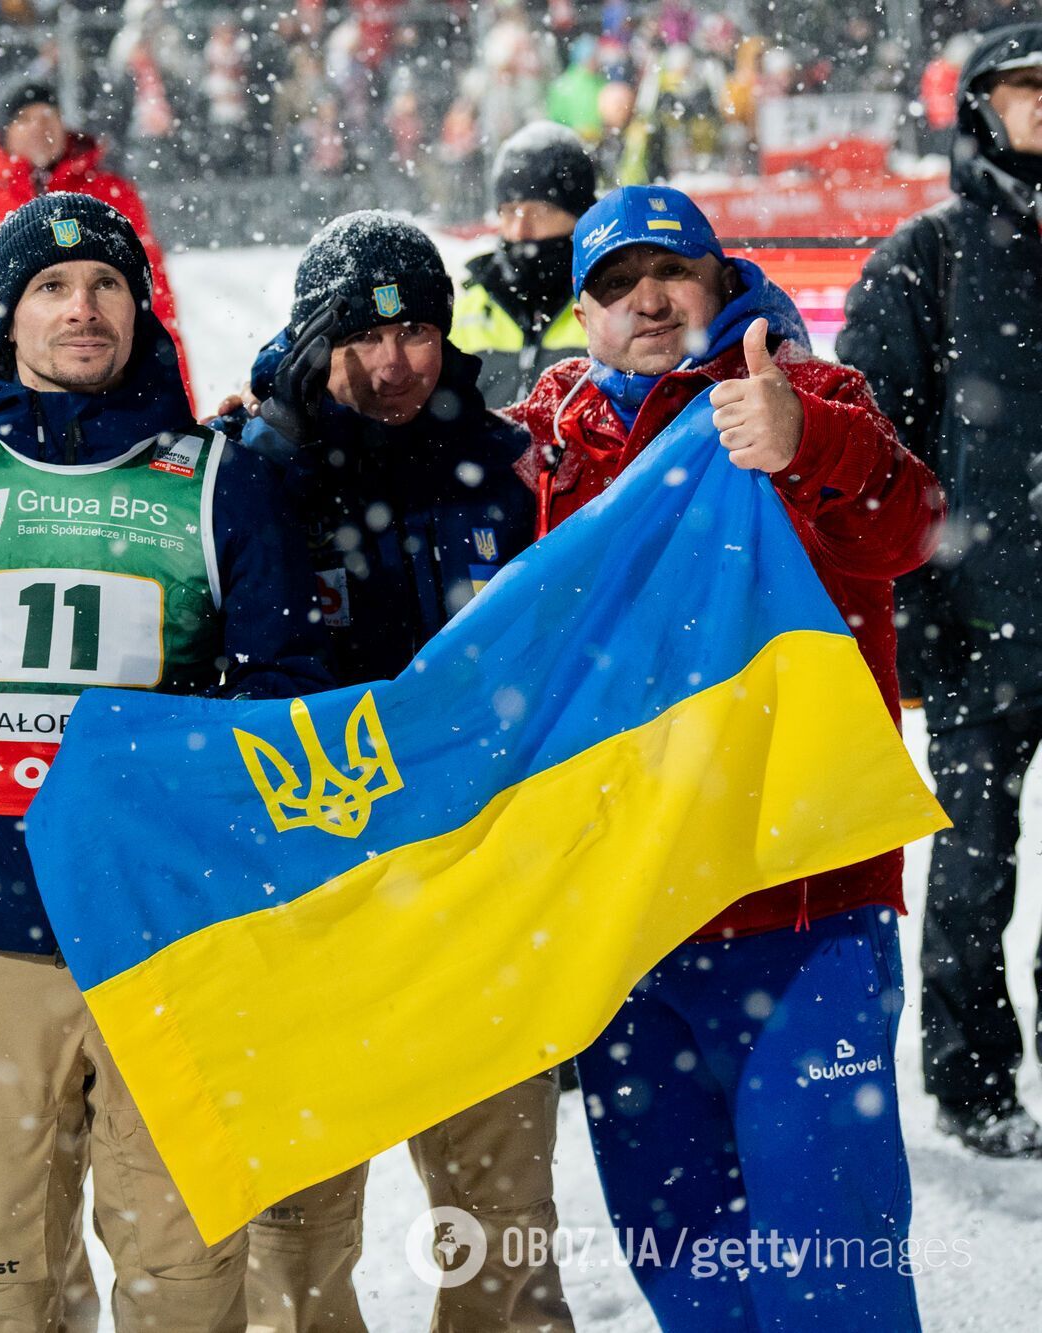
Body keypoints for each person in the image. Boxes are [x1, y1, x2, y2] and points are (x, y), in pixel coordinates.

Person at [0, 192, 328, 1329]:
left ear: (139, 310)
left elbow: (278, 696)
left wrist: (164, 795)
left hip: (160, 941)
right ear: (4, 317)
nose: (82, 307)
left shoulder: (217, 477)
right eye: (51, 287)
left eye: (106, 284)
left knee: (181, 1280)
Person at [505, 185, 942, 1331]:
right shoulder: (538, 445)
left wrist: (806, 445)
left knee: (828, 1252)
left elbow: (908, 524)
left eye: (671, 273)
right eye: (612, 283)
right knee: (682, 1254)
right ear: (579, 314)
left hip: (803, 910)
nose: (645, 300)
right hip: (626, 919)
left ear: (717, 279)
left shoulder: (806, 392)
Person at [229, 211, 572, 1333]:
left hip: (477, 893)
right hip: (312, 897)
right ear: (310, 337)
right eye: (361, 337)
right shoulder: (247, 476)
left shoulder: (498, 471)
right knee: (298, 1244)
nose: (392, 364)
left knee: (503, 1225)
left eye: (417, 332)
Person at [837, 19, 1042, 1159]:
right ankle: (969, 1086)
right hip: (976, 627)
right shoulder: (926, 256)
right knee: (971, 871)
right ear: (979, 108)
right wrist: (911, 613)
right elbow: (873, 450)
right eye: (1024, 89)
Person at [0, 78, 193, 398]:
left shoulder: (113, 193)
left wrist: (177, 395)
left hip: (108, 375)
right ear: (4, 132)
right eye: (25, 119)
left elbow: (154, 295)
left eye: (48, 115)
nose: (39, 127)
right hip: (11, 383)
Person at [449, 122, 595, 408]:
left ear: (581, 216)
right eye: (508, 212)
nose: (519, 231)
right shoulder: (468, 311)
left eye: (539, 212)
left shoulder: (608, 306)